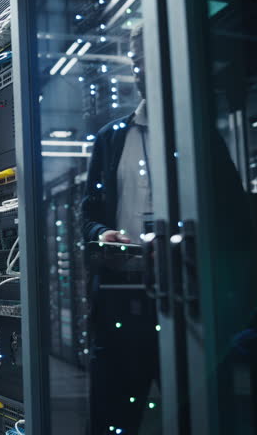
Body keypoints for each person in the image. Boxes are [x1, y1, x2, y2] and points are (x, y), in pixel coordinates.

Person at [81, 24, 160, 434]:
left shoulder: (197, 135)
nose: (139, 71)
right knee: (113, 418)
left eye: (145, 59)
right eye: (135, 62)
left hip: (185, 299)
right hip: (122, 298)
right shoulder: (111, 140)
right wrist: (101, 235)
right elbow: (88, 214)